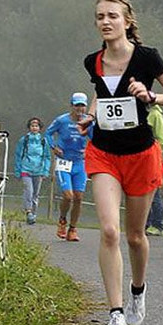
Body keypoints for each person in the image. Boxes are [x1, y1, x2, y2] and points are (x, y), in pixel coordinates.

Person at [78, 0, 163, 325]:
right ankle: (115, 313)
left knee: (135, 236)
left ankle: (138, 289)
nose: (105, 22)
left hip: (140, 154)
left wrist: (151, 96)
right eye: (100, 16)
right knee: (110, 231)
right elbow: (101, 93)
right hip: (103, 152)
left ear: (127, 21)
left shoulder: (147, 57)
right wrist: (90, 116)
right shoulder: (93, 61)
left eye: (112, 16)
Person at [45, 94, 92, 241]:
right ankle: (62, 220)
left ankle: (72, 229)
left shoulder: (88, 122)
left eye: (82, 105)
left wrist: (88, 151)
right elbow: (48, 133)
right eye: (77, 105)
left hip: (80, 163)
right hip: (64, 161)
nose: (80, 108)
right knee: (68, 195)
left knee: (78, 197)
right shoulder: (62, 120)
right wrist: (54, 147)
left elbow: (96, 139)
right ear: (71, 105)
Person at [14, 117, 51, 225]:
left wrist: (45, 171)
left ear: (40, 128)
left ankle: (33, 215)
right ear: (29, 127)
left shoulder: (43, 141)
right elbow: (18, 155)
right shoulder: (24, 140)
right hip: (26, 169)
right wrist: (18, 170)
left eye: (36, 126)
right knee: (28, 191)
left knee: (35, 194)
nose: (34, 128)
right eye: (32, 126)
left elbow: (47, 157)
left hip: (38, 171)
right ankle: (28, 211)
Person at [145, 104, 163, 235]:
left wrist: (154, 156)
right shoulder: (141, 112)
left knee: (154, 194)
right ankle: (146, 223)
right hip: (141, 160)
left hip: (153, 160)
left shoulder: (155, 114)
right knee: (143, 193)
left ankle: (158, 225)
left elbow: (162, 140)